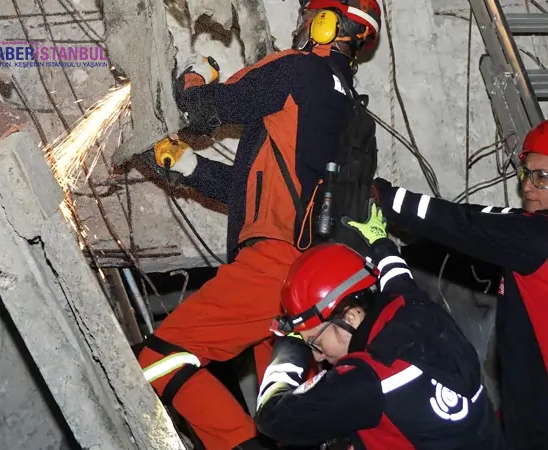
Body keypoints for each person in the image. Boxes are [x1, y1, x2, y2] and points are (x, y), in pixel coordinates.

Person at [134, 1, 382, 449]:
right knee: (283, 414)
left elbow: (204, 109)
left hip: (274, 266)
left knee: (161, 359)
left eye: (307, 18)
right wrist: (190, 166)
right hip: (312, 285)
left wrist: (196, 75)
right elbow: (263, 187)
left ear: (326, 24)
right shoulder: (351, 112)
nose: (299, 27)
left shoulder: (296, 70)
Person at [369, 116, 548, 450]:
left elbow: (463, 225)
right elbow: (485, 217)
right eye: (526, 173)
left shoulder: (544, 237)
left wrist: (386, 197)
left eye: (543, 177)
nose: (528, 186)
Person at [253, 201, 506, 449]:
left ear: (350, 317)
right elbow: (396, 273)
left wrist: (289, 346)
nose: (317, 356)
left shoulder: (368, 380)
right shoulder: (411, 305)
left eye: (315, 342)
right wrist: (379, 240)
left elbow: (271, 418)